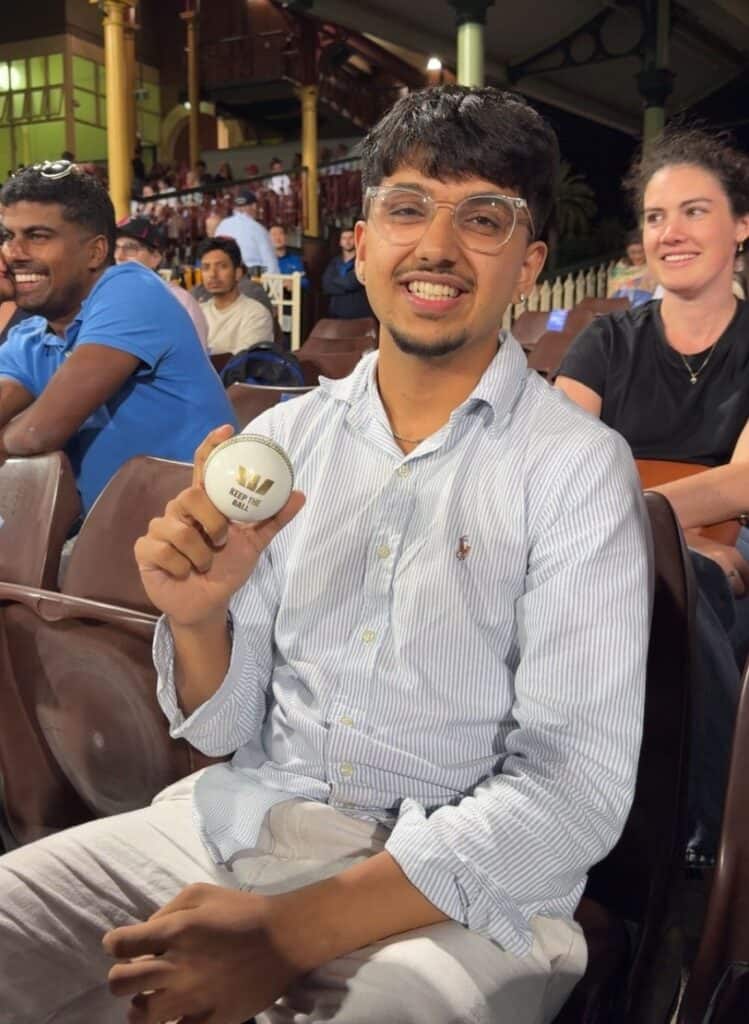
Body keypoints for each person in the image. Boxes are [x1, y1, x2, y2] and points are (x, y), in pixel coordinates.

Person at [0, 87, 651, 1024]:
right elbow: (222, 730)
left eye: (483, 218)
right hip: (229, 825)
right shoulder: (289, 443)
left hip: (455, 896)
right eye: (406, 207)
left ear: (527, 263)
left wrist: (286, 932)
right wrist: (197, 619)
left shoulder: (576, 469)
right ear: (362, 242)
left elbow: (569, 795)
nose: (436, 246)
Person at [555, 125, 749, 862]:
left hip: (726, 554)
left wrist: (648, 525)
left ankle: (715, 826)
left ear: (739, 225)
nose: (670, 232)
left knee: (692, 581)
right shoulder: (604, 343)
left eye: (695, 211)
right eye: (654, 216)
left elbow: (743, 480)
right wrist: (668, 532)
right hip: (627, 544)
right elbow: (556, 467)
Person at [0, 160, 236, 514]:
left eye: (37, 236)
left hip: (208, 536)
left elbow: (38, 432)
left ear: (95, 252)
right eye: (7, 236)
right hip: (116, 538)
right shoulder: (32, 337)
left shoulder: (131, 289)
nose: (13, 253)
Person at [115, 216, 210, 351]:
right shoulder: (108, 299)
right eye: (115, 247)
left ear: (155, 257)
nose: (119, 256)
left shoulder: (179, 302)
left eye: (130, 248)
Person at [198, 236, 275, 355]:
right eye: (206, 268)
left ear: (238, 273)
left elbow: (244, 362)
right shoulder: (199, 312)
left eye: (222, 266)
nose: (212, 274)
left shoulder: (256, 314)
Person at [215, 189, 279, 274]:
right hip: (251, 278)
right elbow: (271, 264)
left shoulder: (222, 225)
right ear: (254, 206)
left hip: (224, 277)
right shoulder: (258, 229)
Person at [322, 225, 373, 318]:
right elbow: (326, 285)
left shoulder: (363, 261)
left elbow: (352, 282)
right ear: (340, 242)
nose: (347, 241)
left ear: (357, 240)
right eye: (344, 238)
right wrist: (346, 285)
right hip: (335, 315)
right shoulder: (334, 262)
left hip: (359, 316)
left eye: (351, 238)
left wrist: (336, 283)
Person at [606, 228, 657, 304]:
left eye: (641, 252)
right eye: (633, 252)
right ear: (627, 251)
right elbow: (612, 292)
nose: (637, 256)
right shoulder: (621, 267)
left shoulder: (654, 266)